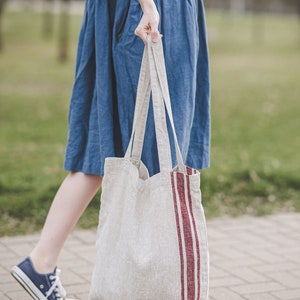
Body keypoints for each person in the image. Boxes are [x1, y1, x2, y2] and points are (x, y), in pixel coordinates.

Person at [11, 0, 210, 299]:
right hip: (150, 11)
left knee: (110, 144)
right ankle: (149, 284)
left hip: (139, 11)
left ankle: (41, 262)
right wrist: (148, 6)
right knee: (153, 153)